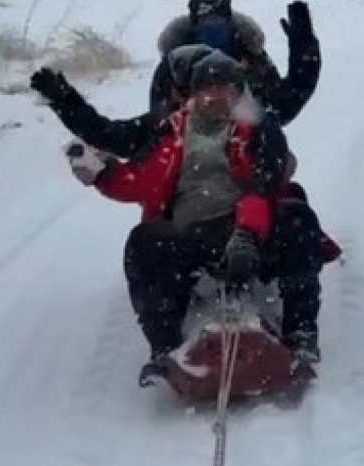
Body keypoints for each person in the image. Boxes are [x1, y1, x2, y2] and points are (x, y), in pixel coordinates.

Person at [29, 50, 324, 386]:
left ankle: (301, 336)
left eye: (225, 88)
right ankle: (165, 348)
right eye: (207, 88)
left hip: (253, 231)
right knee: (144, 242)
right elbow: (108, 134)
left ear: (238, 92)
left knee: (298, 218)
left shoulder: (260, 128)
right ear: (192, 94)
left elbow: (265, 182)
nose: (215, 96)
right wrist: (65, 101)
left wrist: (245, 236)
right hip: (192, 236)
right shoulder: (165, 129)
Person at [150, 0, 320, 126]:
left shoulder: (251, 59)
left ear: (229, 22)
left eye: (218, 22)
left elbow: (284, 106)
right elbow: (158, 127)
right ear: (194, 25)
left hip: (249, 161)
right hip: (189, 165)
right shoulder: (175, 67)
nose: (212, 28)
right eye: (205, 23)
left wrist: (303, 49)